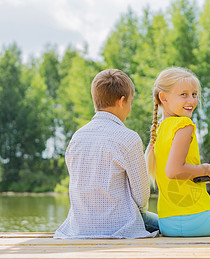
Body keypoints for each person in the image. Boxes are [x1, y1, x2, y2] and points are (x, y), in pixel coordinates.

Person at [145, 67, 210, 237]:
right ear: (163, 98)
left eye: (194, 94)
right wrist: (207, 169)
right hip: (197, 219)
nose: (192, 100)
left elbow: (185, 174)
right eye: (184, 94)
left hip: (168, 223)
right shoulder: (184, 125)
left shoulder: (158, 131)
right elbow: (175, 171)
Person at [54, 69, 159, 239]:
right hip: (120, 226)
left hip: (79, 228)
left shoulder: (76, 138)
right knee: (169, 224)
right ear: (122, 101)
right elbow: (141, 197)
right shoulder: (129, 138)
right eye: (130, 102)